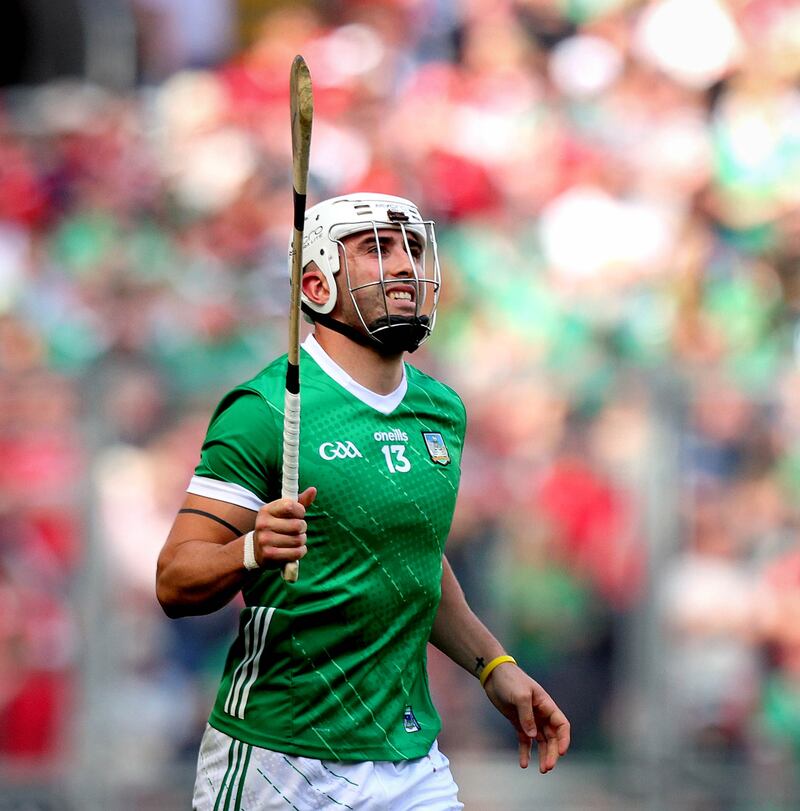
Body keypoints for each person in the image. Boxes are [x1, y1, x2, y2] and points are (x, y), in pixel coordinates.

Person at [156, 192, 570, 810]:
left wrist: (493, 666)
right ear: (318, 282)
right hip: (280, 757)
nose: (404, 265)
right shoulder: (266, 410)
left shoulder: (440, 410)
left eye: (410, 247)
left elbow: (414, 565)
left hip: (409, 759)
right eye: (376, 249)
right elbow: (174, 579)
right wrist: (248, 549)